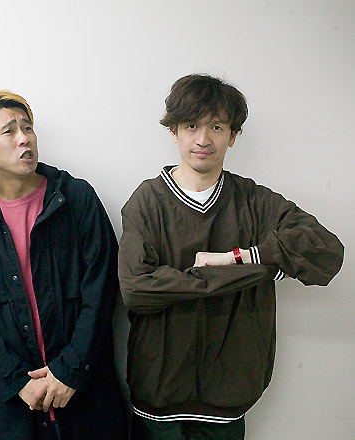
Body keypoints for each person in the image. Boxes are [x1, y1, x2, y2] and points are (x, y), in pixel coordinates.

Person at [118, 74, 344, 440]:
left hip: (229, 393)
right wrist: (261, 271)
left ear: (232, 136)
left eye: (216, 127)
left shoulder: (253, 201)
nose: (203, 140)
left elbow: (326, 253)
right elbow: (136, 290)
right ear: (174, 131)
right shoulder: (147, 201)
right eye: (192, 126)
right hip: (159, 390)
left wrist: (237, 257)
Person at [0, 90, 128, 440]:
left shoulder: (76, 199)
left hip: (86, 393)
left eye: (28, 127)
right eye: (9, 131)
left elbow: (102, 289)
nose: (24, 138)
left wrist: (69, 371)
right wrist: (18, 382)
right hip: (15, 406)